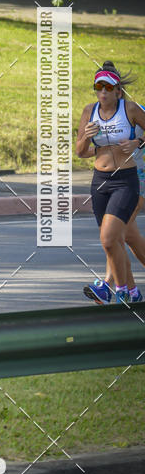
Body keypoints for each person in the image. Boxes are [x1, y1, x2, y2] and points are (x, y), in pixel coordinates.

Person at [77, 62, 145, 304]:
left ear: (118, 91)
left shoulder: (131, 110)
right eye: (98, 87)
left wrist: (138, 143)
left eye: (108, 88)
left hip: (126, 181)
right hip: (100, 182)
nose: (103, 92)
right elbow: (81, 152)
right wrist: (86, 136)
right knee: (117, 240)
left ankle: (118, 288)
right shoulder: (89, 111)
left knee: (109, 238)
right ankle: (132, 292)